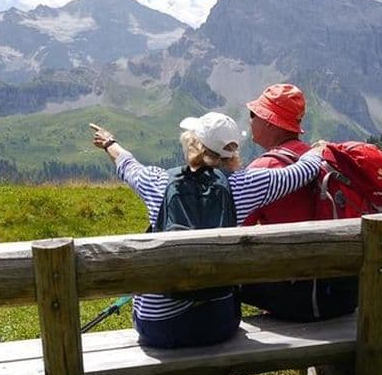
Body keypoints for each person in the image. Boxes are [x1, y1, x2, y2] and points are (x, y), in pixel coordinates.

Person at [90, 112, 325, 349]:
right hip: (217, 325)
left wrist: (109, 143)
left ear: (193, 143)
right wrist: (317, 150)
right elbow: (302, 172)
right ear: (232, 151)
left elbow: (127, 165)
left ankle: (163, 368)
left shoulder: (157, 182)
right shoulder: (247, 185)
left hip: (157, 327)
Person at [240, 83, 359, 321]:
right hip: (342, 295)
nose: (250, 120)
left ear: (270, 121)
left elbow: (237, 229)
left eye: (254, 114)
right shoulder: (320, 158)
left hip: (300, 300)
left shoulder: (264, 168)